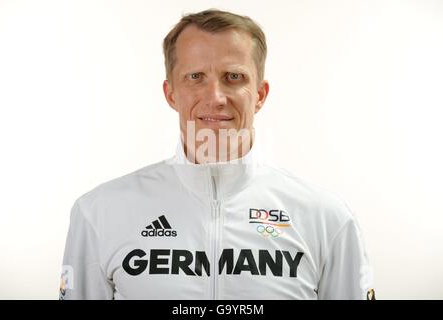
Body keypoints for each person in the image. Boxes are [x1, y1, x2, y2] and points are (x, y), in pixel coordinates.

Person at [59, 8, 375, 300]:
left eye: (233, 77)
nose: (216, 97)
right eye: (196, 77)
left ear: (260, 94)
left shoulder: (327, 218)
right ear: (170, 93)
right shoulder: (99, 213)